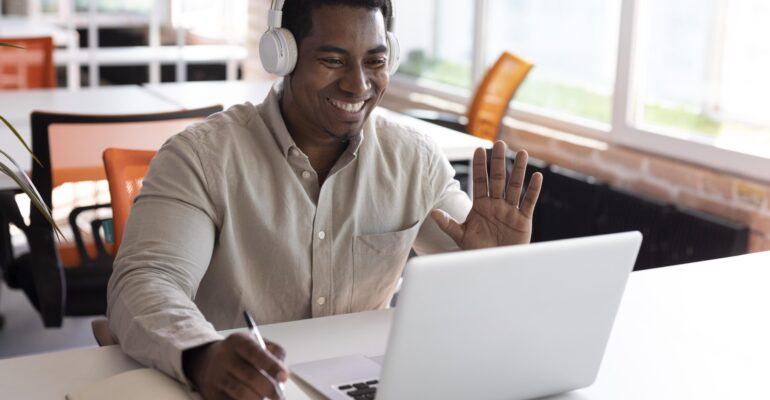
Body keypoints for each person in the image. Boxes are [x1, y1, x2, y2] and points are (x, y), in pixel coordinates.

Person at [106, 0, 543, 399]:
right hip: (241, 388)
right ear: (283, 56)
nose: (358, 84)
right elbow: (146, 282)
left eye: (375, 62)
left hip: (362, 384)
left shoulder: (414, 160)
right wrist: (202, 354)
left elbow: (481, 289)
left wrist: (500, 265)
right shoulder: (202, 157)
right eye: (333, 60)